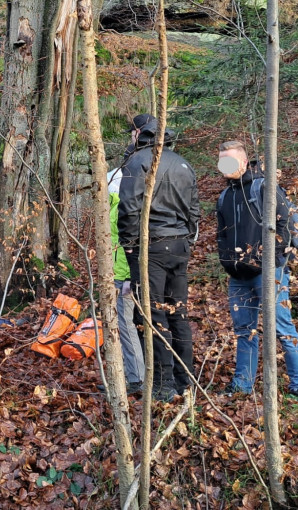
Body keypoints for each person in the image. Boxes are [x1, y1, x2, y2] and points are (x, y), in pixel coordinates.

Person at [215, 140, 298, 402]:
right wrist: (226, 260)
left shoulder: (264, 187)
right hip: (237, 276)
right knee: (244, 331)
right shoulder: (224, 196)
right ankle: (242, 385)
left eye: (231, 160)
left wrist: (273, 259)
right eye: (222, 161)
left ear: (244, 162)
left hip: (268, 273)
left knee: (282, 327)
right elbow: (221, 235)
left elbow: (290, 222)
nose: (226, 166)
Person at [118, 118, 200, 401]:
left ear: (139, 134)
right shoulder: (183, 164)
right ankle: (185, 380)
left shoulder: (137, 161)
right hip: (178, 246)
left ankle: (164, 384)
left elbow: (129, 209)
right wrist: (186, 242)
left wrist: (130, 248)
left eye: (132, 132)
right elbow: (194, 211)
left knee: (153, 314)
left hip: (151, 246)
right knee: (178, 313)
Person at [107, 168, 144, 394]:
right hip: (115, 275)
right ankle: (128, 375)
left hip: (124, 277)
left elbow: (131, 243)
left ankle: (137, 377)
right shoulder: (113, 205)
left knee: (127, 327)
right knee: (121, 328)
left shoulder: (124, 207)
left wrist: (130, 277)